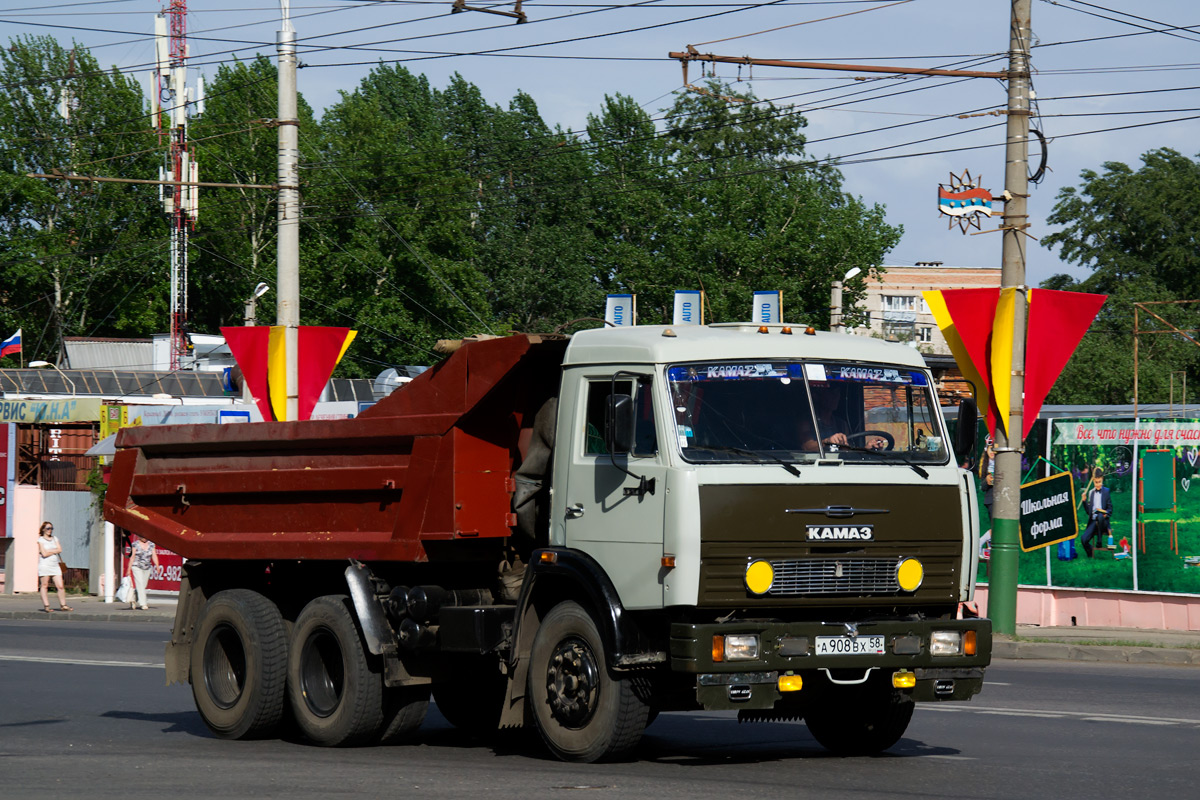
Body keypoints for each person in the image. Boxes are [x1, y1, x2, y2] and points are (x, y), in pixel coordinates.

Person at [37, 521, 72, 612]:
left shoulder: (55, 538)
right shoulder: (40, 540)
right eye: (48, 528)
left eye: (51, 528)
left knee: (60, 586)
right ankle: (46, 606)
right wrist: (54, 550)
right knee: (44, 585)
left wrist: (50, 551)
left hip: (55, 565)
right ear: (43, 529)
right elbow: (44, 553)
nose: (50, 530)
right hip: (45, 565)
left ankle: (63, 605)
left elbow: (59, 549)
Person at [1079, 468, 1114, 558]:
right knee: (1083, 539)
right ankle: (1090, 552)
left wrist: (1106, 513)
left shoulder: (1106, 491)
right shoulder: (1091, 493)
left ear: (1102, 479)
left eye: (1099, 482)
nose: (1098, 484)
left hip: (1103, 521)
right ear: (1093, 480)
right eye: (1096, 482)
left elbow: (1110, 508)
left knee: (1100, 515)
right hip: (1094, 522)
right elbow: (1088, 512)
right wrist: (1084, 501)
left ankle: (1099, 540)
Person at [126, 533, 159, 610]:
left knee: (143, 585)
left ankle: (133, 598)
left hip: (147, 567)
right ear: (139, 537)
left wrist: (157, 565)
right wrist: (129, 568)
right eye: (142, 537)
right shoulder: (135, 544)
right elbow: (132, 556)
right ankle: (143, 603)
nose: (144, 538)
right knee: (140, 584)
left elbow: (154, 555)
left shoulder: (151, 544)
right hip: (136, 566)